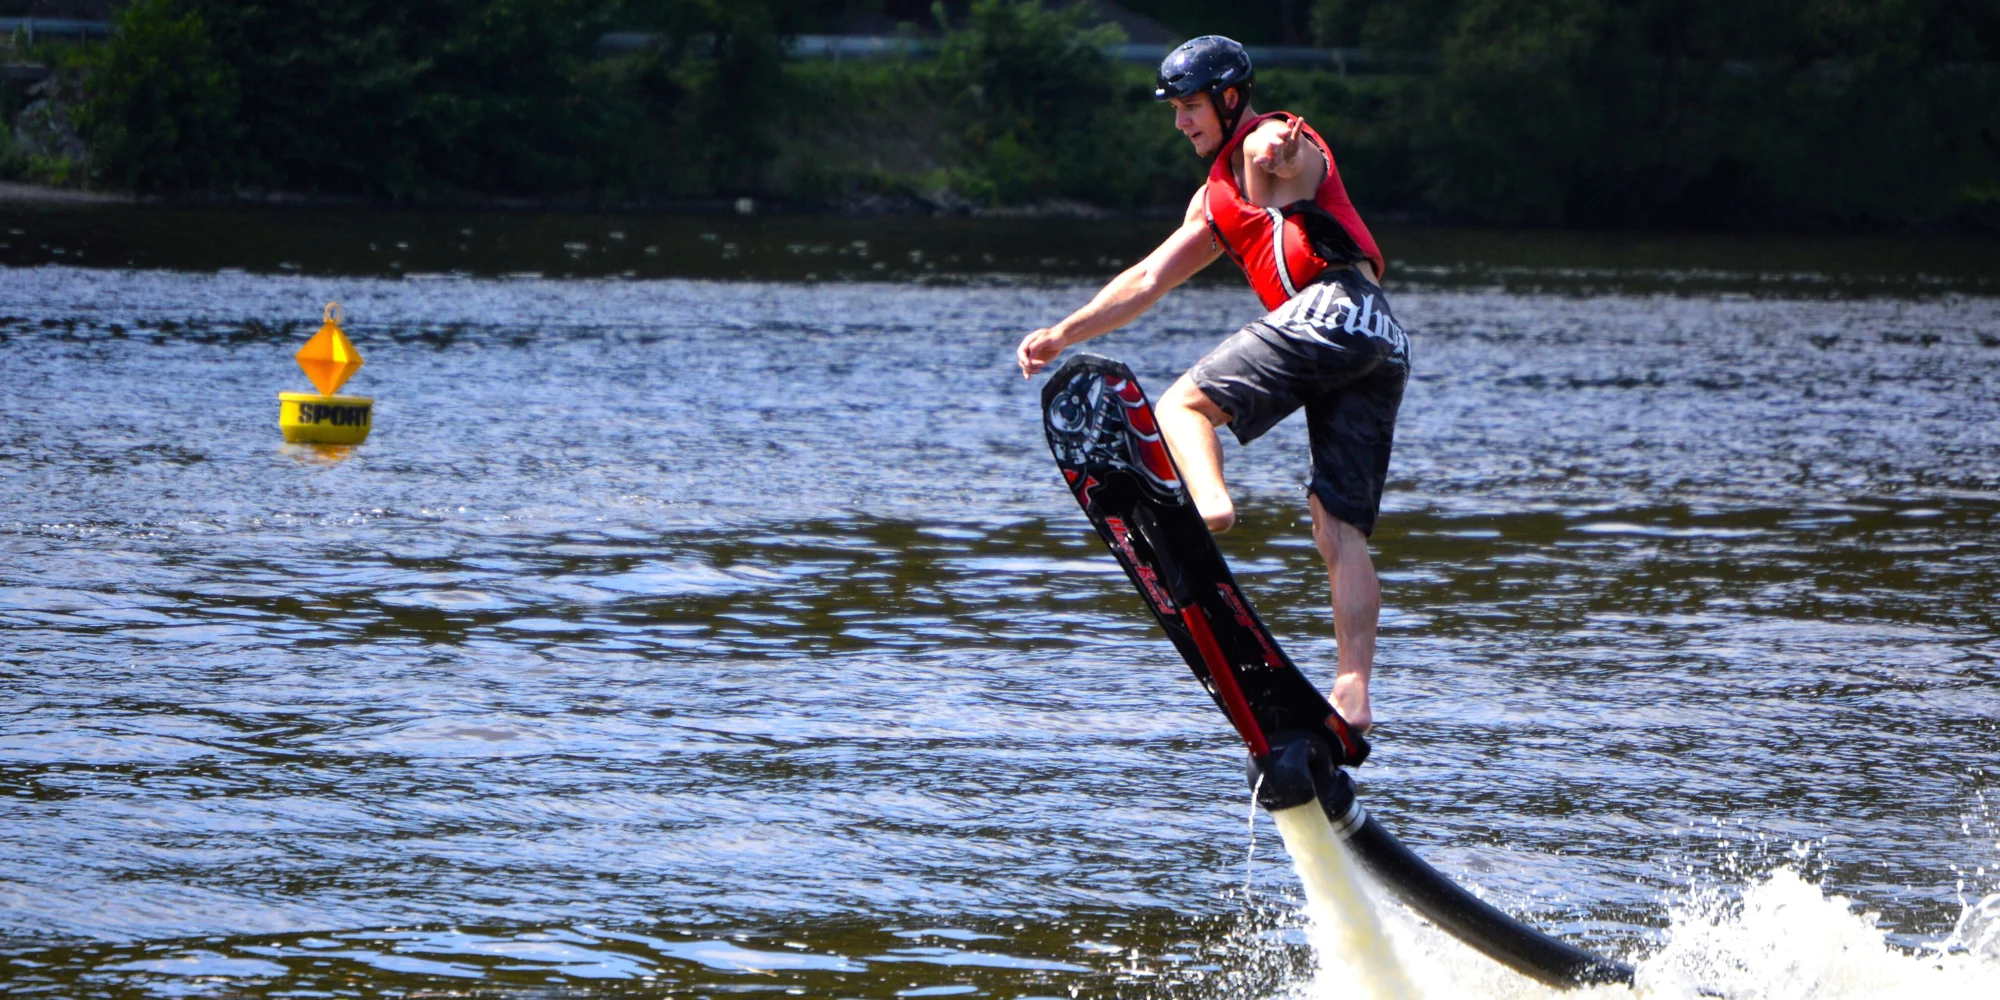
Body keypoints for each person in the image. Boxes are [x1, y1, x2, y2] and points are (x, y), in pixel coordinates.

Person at [1016, 35, 1409, 733]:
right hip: (1380, 336)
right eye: (1174, 109)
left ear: (1230, 101)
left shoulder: (1271, 142)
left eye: (1191, 106)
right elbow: (1147, 280)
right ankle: (1353, 691)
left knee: (1180, 405)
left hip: (1333, 307)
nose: (1181, 122)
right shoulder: (1215, 200)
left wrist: (1277, 155)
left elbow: (1281, 161)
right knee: (1336, 525)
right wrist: (1063, 333)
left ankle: (1207, 510)